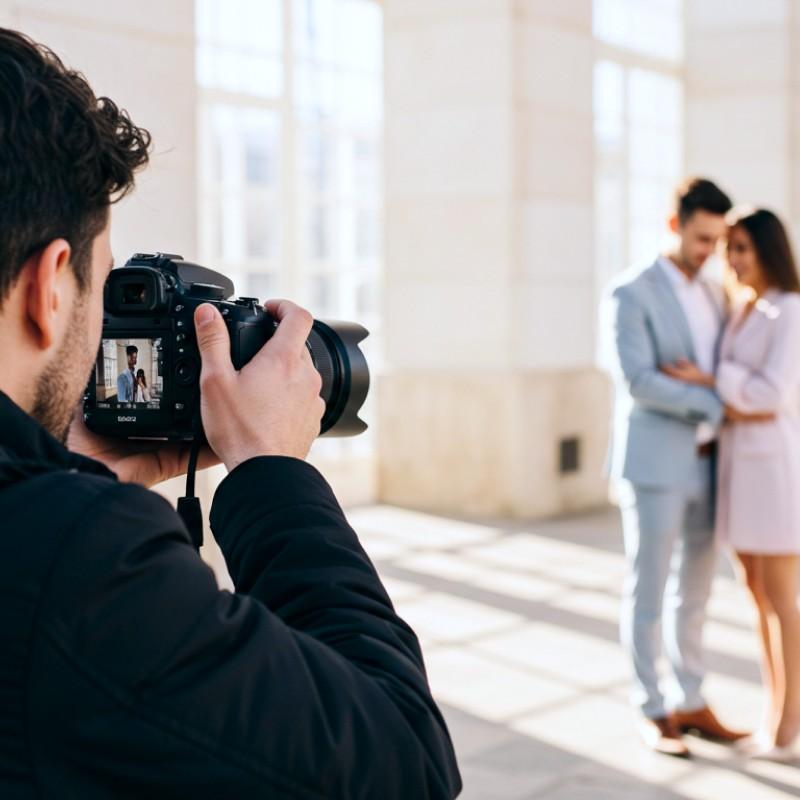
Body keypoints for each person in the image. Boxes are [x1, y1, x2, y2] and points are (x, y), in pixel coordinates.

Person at [0, 27, 461, 798]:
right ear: (51, 286)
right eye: (98, 284)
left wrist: (75, 475)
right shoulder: (63, 559)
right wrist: (273, 474)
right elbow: (401, 761)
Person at [600, 177, 763, 757]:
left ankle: (692, 699)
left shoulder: (718, 293)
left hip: (708, 463)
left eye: (717, 241)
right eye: (701, 239)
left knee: (694, 593)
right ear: (675, 226)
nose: (709, 252)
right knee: (647, 589)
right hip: (653, 465)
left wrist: (705, 386)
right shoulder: (631, 292)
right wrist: (719, 399)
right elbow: (640, 380)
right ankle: (653, 708)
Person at [662, 208, 800, 761]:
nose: (734, 259)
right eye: (730, 249)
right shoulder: (745, 310)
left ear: (768, 250)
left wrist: (714, 382)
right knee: (755, 594)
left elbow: (771, 396)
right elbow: (748, 401)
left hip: (773, 472)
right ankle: (775, 710)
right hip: (739, 468)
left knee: (784, 599)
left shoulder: (790, 310)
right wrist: (733, 398)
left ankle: (791, 722)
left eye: (743, 248)